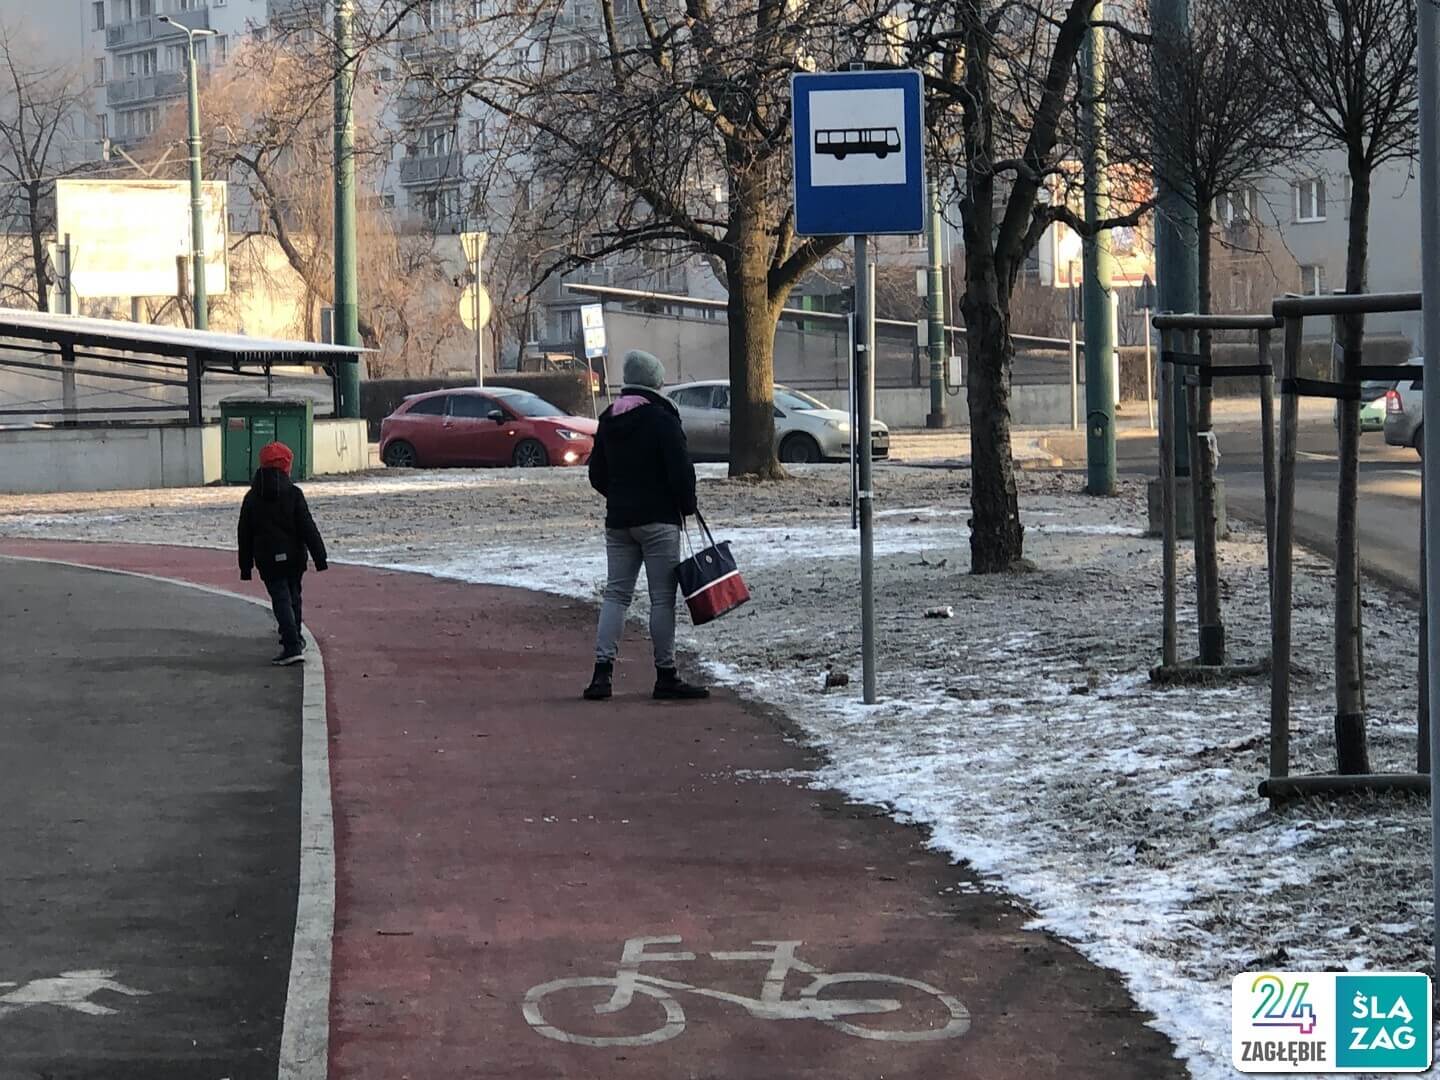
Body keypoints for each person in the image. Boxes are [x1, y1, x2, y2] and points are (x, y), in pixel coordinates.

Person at [584, 350, 709, 702]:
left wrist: (620, 495)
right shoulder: (662, 418)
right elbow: (681, 469)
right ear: (655, 381)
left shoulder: (609, 418)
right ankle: (665, 674)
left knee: (616, 595)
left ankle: (602, 674)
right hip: (659, 521)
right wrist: (685, 504)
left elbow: (597, 474)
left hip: (619, 521)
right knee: (661, 600)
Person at [238, 441, 328, 666]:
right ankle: (294, 638)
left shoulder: (252, 497)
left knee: (280, 598)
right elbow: (307, 526)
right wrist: (320, 557)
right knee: (294, 596)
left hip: (267, 558)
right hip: (295, 555)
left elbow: (244, 533)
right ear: (287, 466)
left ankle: (291, 645)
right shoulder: (294, 494)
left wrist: (245, 566)